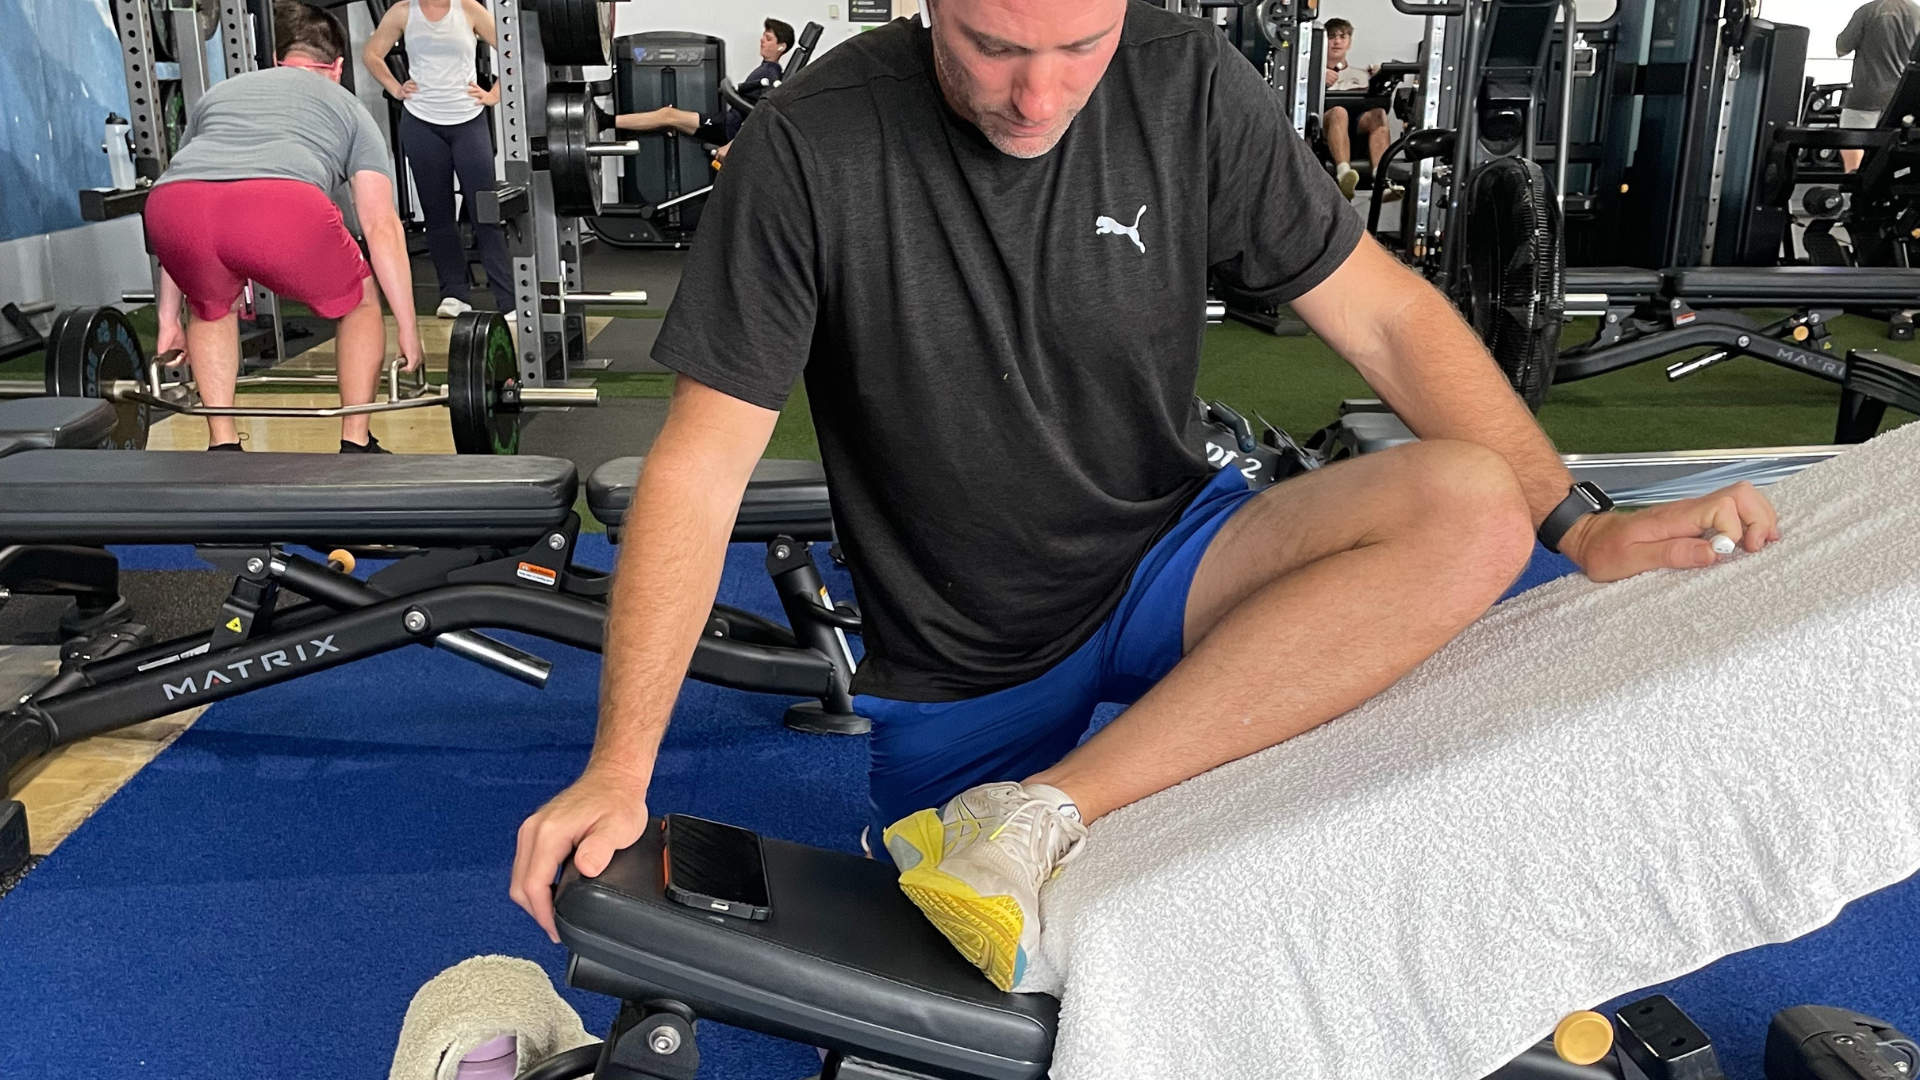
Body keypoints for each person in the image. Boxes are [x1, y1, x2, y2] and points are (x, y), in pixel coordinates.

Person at [509, 0, 1781, 993]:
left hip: (1169, 555)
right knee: (1007, 985)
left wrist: (1580, 521)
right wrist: (620, 768)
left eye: (1080, 47)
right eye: (995, 47)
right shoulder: (811, 143)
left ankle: (1052, 807)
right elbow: (700, 466)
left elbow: (1388, 316)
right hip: (965, 648)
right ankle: (1024, 805)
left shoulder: (1185, 80)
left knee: (1472, 504)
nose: (1038, 96)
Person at [147, 0, 422, 453]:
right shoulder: (349, 107)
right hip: (278, 207)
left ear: (277, 61)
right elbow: (380, 226)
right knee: (361, 301)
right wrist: (408, 328)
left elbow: (192, 190)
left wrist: (166, 319)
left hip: (173, 207)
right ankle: (356, 444)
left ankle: (223, 447)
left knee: (210, 306)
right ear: (337, 67)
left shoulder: (218, 95)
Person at [363, 0, 514, 318]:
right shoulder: (403, 12)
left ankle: (509, 299)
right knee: (437, 214)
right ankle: (454, 293)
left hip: (468, 121)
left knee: (485, 211)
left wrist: (494, 94)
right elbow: (372, 54)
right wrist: (395, 88)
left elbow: (512, 51)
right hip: (422, 123)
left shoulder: (469, 9)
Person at [1837, 0, 1920, 173]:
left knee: (1851, 141)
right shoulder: (1917, 13)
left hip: (1867, 95)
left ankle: (1852, 183)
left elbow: (1842, 49)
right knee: (1899, 148)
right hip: (1903, 98)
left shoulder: (1868, 11)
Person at [1322, 18, 1394, 202]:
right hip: (1325, 128)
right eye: (1331, 37)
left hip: (1356, 129)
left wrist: (1378, 79)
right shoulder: (1312, 73)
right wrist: (1319, 76)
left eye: (1342, 37)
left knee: (1378, 114)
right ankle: (1344, 174)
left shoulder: (1361, 75)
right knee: (1339, 112)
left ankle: (1381, 180)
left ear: (1349, 42)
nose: (1337, 42)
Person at [728, 18, 797, 140]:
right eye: (763, 36)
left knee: (687, 119)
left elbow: (765, 111)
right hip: (730, 121)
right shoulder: (765, 69)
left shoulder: (770, 73)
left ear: (781, 47)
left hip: (732, 126)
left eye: (768, 38)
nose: (762, 40)